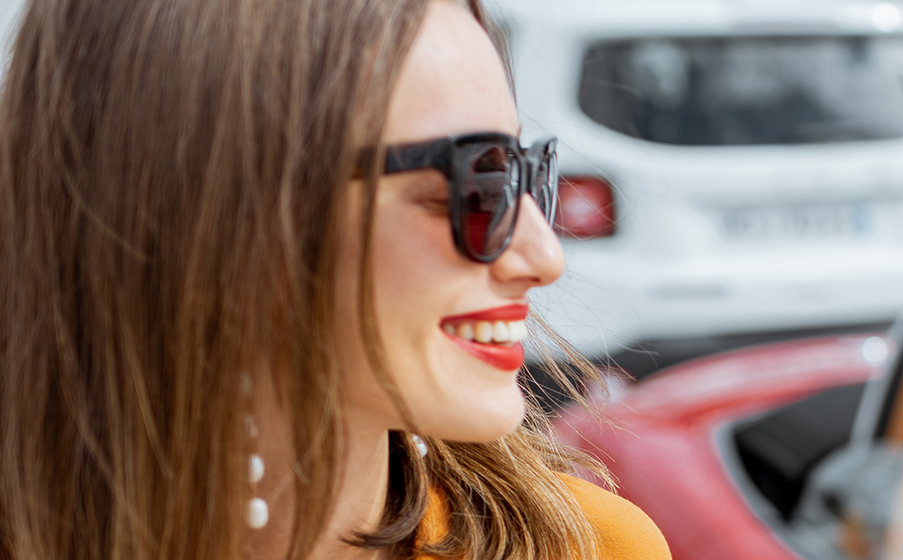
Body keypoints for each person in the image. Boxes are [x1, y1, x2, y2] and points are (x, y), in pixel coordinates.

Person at [0, 0, 670, 558]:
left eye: (526, 171)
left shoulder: (586, 547)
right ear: (219, 210)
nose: (543, 255)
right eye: (480, 181)